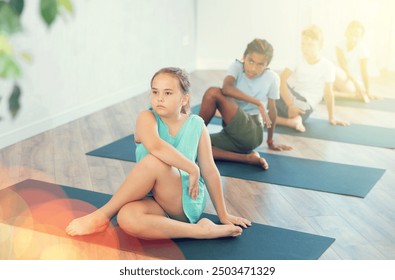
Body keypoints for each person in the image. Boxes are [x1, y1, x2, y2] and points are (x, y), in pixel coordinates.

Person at [66, 67, 251, 240]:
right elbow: (156, 145)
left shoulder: (197, 125)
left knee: (154, 162)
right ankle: (199, 231)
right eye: (155, 92)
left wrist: (223, 214)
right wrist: (192, 167)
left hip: (184, 199)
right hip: (152, 201)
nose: (159, 98)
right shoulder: (146, 118)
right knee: (126, 217)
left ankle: (101, 216)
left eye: (168, 93)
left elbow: (210, 171)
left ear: (184, 99)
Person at [198, 38, 291, 170]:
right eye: (251, 61)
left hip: (252, 131)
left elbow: (273, 110)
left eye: (260, 64)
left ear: (267, 65)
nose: (253, 68)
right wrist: (257, 102)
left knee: (213, 92)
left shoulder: (272, 78)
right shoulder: (237, 67)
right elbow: (226, 88)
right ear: (244, 58)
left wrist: (270, 141)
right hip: (231, 133)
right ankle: (247, 159)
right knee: (195, 145)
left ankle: (193, 132)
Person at [275, 25, 349, 132]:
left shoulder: (328, 66)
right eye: (303, 44)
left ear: (320, 46)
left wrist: (331, 117)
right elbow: (281, 79)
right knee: (274, 81)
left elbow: (328, 93)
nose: (305, 48)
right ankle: (293, 120)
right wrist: (290, 104)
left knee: (301, 107)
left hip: (306, 103)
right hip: (291, 100)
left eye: (310, 45)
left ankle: (294, 118)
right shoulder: (298, 58)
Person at [334, 20, 375, 103]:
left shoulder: (363, 49)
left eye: (357, 36)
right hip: (341, 79)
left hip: (353, 84)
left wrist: (366, 90)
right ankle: (353, 96)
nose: (353, 38)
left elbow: (364, 71)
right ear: (346, 33)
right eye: (351, 34)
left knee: (332, 69)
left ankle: (353, 94)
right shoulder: (340, 45)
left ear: (361, 37)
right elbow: (344, 66)